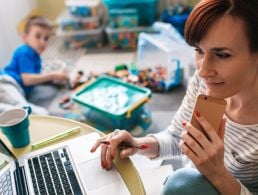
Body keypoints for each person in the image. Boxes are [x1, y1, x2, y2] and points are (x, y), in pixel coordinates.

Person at [90, 0, 258, 194]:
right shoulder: (206, 83)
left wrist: (218, 174)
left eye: (222, 55)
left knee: (182, 183)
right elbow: (176, 137)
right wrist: (137, 145)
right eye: (199, 51)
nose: (203, 71)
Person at [0, 16, 69, 114]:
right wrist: (53, 75)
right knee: (31, 113)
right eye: (37, 36)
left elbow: (35, 78)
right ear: (25, 37)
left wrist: (55, 78)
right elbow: (27, 79)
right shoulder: (25, 51)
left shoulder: (35, 55)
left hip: (17, 89)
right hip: (6, 83)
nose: (42, 42)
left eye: (46, 38)